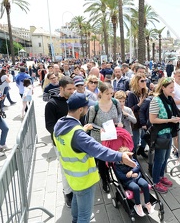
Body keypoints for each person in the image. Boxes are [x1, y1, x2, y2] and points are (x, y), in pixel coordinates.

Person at [53, 92, 136, 223]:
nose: (87, 109)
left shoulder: (60, 125)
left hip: (72, 177)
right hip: (84, 180)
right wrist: (120, 156)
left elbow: (72, 142)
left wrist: (82, 129)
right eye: (87, 107)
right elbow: (98, 150)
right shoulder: (78, 135)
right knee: (84, 217)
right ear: (81, 109)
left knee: (76, 205)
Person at [45, 76, 76, 207]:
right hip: (61, 143)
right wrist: (64, 134)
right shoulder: (52, 104)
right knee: (65, 169)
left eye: (73, 88)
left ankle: (76, 189)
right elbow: (50, 126)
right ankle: (68, 193)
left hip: (76, 141)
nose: (72, 91)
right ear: (61, 88)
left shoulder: (74, 100)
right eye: (69, 89)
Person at [87, 83, 123, 193]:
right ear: (100, 93)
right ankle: (105, 180)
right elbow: (90, 124)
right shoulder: (94, 108)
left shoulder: (115, 103)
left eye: (111, 93)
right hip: (100, 138)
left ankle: (119, 178)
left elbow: (120, 114)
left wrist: (120, 122)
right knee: (102, 162)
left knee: (114, 157)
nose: (110, 96)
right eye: (107, 94)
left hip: (113, 136)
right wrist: (99, 128)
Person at [149, 77, 180, 193]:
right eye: (171, 87)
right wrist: (169, 120)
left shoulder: (169, 99)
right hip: (160, 133)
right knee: (159, 159)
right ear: (163, 88)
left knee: (166, 157)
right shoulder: (156, 100)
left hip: (168, 132)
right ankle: (155, 181)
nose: (173, 90)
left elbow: (174, 113)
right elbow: (152, 120)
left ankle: (161, 177)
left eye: (173, 87)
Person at [114, 146, 154, 217]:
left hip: (137, 177)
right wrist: (130, 175)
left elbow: (137, 166)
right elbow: (120, 176)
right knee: (135, 188)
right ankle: (137, 205)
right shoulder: (117, 165)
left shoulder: (132, 159)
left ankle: (147, 203)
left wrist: (132, 171)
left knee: (145, 184)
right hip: (127, 181)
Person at [126, 74, 149, 158]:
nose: (144, 82)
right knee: (135, 141)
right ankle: (133, 155)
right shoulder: (132, 94)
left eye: (145, 80)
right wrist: (140, 104)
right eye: (142, 81)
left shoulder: (146, 91)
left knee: (146, 137)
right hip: (135, 120)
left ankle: (141, 150)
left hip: (144, 119)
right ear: (137, 82)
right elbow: (130, 109)